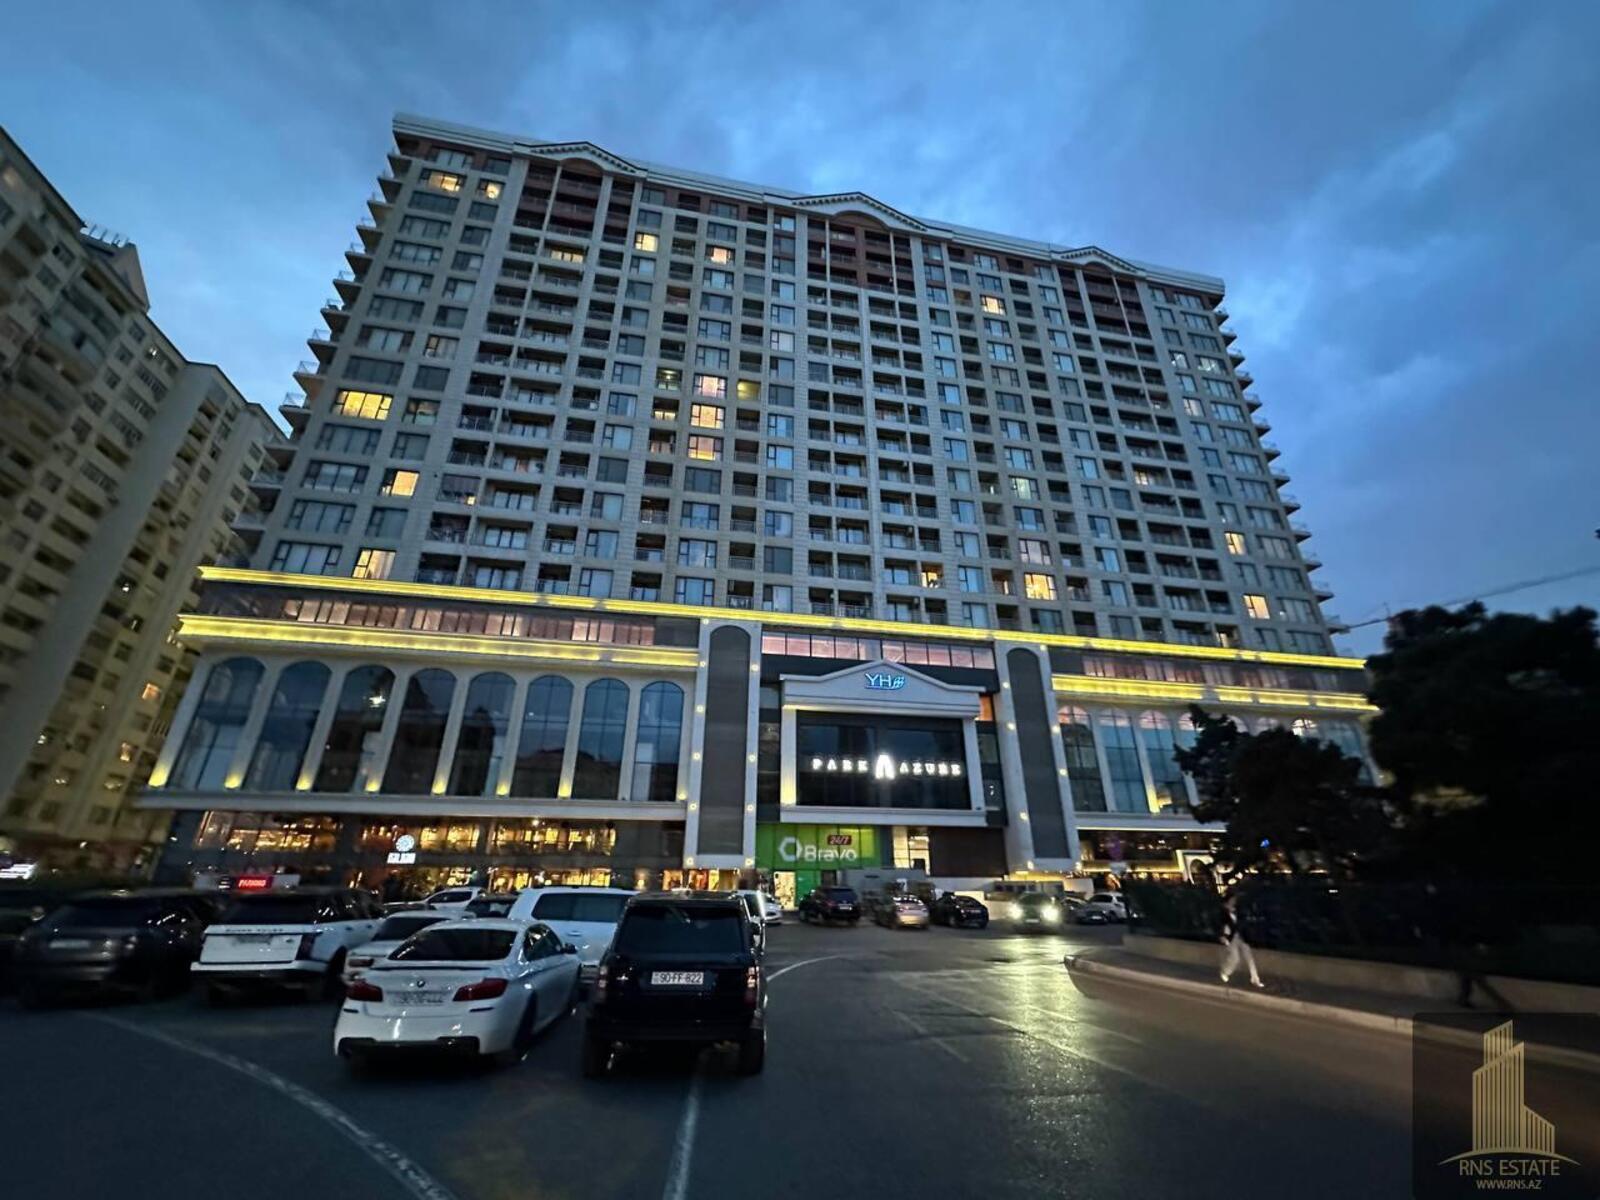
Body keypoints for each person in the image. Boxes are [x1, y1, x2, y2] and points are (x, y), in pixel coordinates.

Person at [1219, 894, 1264, 988]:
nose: (1234, 901)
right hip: (1231, 938)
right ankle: (1225, 972)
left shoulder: (1237, 910)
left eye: (1234, 900)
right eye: (1232, 899)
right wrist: (1223, 936)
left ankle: (1255, 979)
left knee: (1249, 958)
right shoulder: (1223, 912)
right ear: (1228, 900)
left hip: (1241, 936)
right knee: (1235, 958)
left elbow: (1242, 922)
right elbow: (1223, 925)